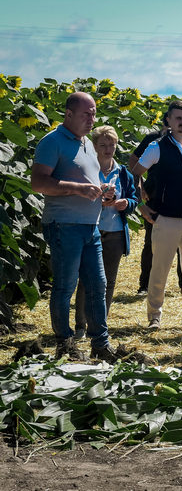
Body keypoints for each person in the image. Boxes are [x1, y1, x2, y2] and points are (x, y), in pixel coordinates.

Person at [31, 92, 118, 362]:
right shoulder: (52, 142)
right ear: (68, 114)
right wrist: (79, 189)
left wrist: (102, 192)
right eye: (86, 114)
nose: (92, 119)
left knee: (97, 283)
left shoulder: (87, 145)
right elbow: (38, 183)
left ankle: (100, 344)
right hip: (63, 224)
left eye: (94, 113)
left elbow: (85, 178)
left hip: (89, 226)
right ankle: (65, 343)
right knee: (66, 286)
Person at [132, 100, 182, 331]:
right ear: (168, 121)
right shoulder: (156, 147)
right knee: (159, 270)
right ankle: (154, 317)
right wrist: (142, 206)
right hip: (165, 219)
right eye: (178, 119)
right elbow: (134, 175)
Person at [75, 126, 139, 338]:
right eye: (103, 145)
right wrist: (98, 202)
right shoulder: (88, 170)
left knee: (109, 281)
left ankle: (100, 324)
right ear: (94, 147)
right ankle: (81, 326)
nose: (108, 148)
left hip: (115, 232)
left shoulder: (123, 173)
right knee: (86, 279)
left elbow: (134, 199)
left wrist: (124, 203)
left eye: (111, 144)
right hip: (92, 230)